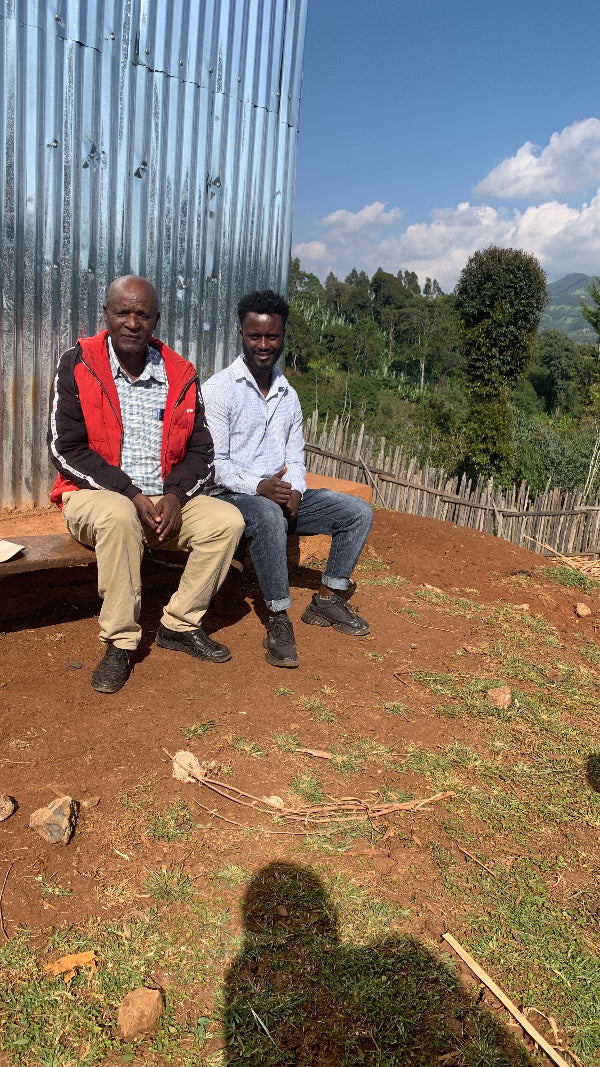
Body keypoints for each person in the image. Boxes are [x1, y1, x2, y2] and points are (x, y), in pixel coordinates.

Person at [47, 275, 245, 694]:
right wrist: (129, 493)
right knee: (119, 515)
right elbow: (65, 448)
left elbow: (201, 450)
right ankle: (120, 641)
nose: (132, 322)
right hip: (94, 497)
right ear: (106, 315)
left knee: (227, 520)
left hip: (163, 497)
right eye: (123, 312)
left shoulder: (180, 372)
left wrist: (174, 495)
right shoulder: (78, 364)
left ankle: (178, 623)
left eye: (142, 314)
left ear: (156, 319)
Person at [202, 289, 373, 668]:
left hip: (278, 493)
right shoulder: (218, 391)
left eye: (272, 336)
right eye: (254, 336)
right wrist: (259, 487)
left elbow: (296, 458)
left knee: (357, 511)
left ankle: (327, 599)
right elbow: (215, 464)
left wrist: (295, 488)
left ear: (282, 336)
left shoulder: (288, 395)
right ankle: (279, 619)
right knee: (265, 513)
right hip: (231, 496)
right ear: (242, 335)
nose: (263, 345)